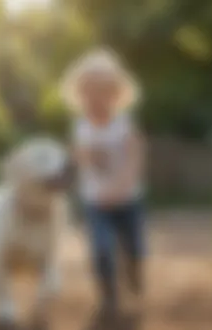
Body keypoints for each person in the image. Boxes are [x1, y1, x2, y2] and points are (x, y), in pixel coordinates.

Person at [61, 48, 146, 313]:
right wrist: (78, 160)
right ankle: (109, 294)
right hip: (96, 202)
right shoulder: (80, 127)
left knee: (134, 247)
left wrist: (120, 186)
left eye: (103, 91)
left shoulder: (124, 124)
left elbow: (134, 157)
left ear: (116, 94)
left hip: (127, 199)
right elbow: (79, 155)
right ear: (81, 94)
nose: (96, 98)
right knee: (100, 249)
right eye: (90, 92)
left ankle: (133, 271)